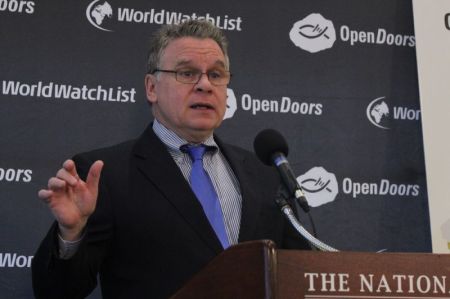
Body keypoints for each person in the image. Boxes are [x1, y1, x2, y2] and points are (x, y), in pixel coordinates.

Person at [32, 20, 310, 299]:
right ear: (151, 88)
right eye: (187, 73)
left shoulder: (265, 175)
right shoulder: (105, 174)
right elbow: (56, 292)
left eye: (216, 74)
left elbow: (302, 277)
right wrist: (71, 234)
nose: (205, 85)